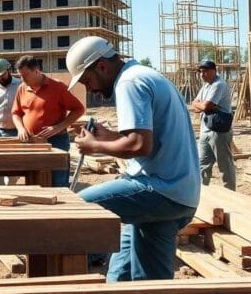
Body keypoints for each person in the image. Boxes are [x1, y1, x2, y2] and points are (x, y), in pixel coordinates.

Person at [67, 36, 200, 282]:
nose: (90, 89)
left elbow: (139, 145)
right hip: (179, 193)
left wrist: (94, 146)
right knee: (128, 277)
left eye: (87, 81)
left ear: (102, 67)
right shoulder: (145, 75)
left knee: (74, 207)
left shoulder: (130, 82)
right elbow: (149, 140)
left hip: (160, 190)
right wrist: (109, 137)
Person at [11, 55, 85, 187]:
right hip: (32, 142)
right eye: (20, 76)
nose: (22, 79)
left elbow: (79, 109)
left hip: (56, 142)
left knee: (58, 181)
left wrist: (59, 127)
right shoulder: (22, 88)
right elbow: (16, 113)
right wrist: (20, 129)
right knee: (35, 181)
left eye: (25, 75)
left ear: (36, 71)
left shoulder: (57, 87)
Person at [191, 60, 236, 190]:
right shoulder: (206, 86)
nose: (202, 74)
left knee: (225, 165)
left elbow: (206, 105)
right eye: (200, 72)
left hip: (219, 131)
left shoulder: (219, 85)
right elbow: (194, 105)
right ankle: (202, 192)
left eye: (205, 71)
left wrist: (203, 105)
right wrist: (201, 105)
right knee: (202, 164)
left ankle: (231, 194)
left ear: (214, 71)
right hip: (205, 130)